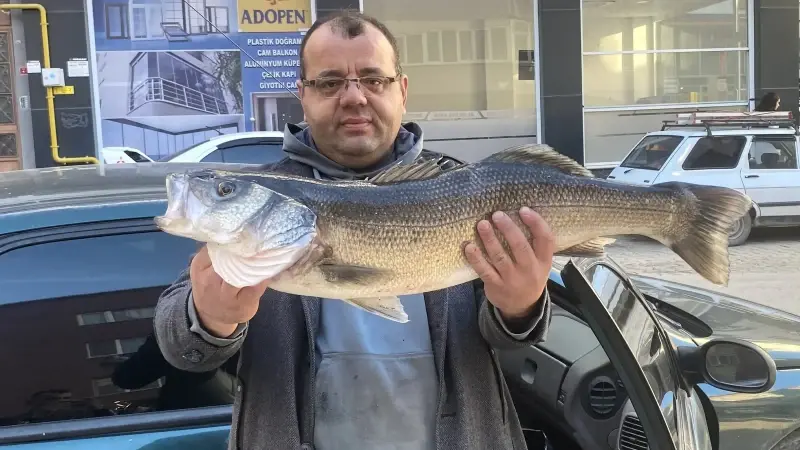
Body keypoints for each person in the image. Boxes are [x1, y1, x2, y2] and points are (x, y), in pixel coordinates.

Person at [154, 10, 554, 450]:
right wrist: (212, 318)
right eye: (329, 82)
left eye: (373, 79)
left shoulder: (464, 188)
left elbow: (508, 339)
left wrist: (520, 308)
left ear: (401, 91)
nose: (355, 97)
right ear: (302, 96)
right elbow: (180, 345)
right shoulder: (261, 200)